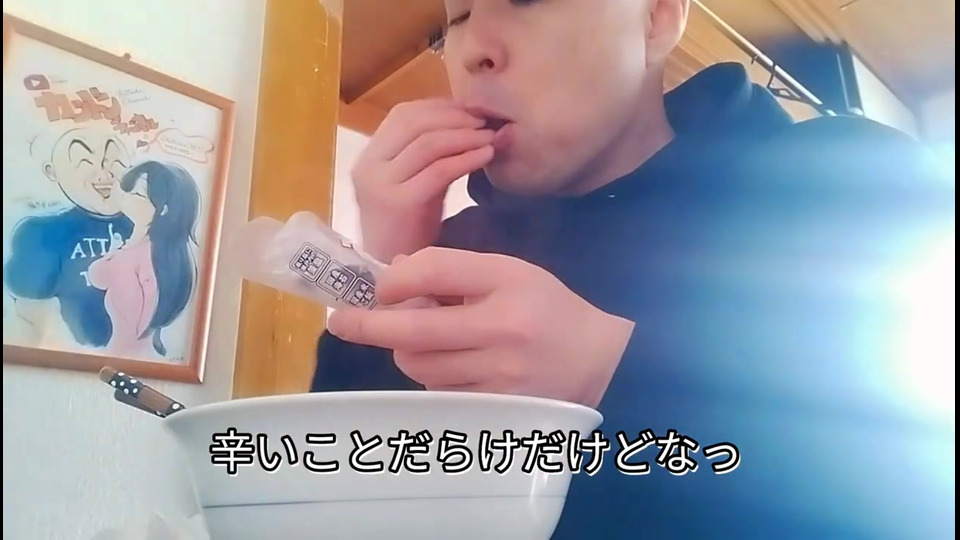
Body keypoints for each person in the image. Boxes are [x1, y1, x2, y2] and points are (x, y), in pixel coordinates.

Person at [310, 0, 955, 537]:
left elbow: (918, 491)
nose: (473, 49)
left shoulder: (850, 179)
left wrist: (613, 376)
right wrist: (390, 275)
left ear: (656, 18)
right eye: (455, 20)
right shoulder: (454, 248)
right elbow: (332, 497)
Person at [4, 127, 134, 347]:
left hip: (138, 356)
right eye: (85, 163)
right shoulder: (41, 234)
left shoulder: (146, 228)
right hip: (75, 357)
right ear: (52, 172)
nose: (104, 175)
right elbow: (32, 326)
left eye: (113, 162)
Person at [88, 160, 201, 358]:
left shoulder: (134, 257)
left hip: (123, 354)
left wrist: (117, 253)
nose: (126, 196)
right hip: (144, 354)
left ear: (163, 209)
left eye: (138, 194)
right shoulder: (163, 253)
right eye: (129, 190)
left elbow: (98, 276)